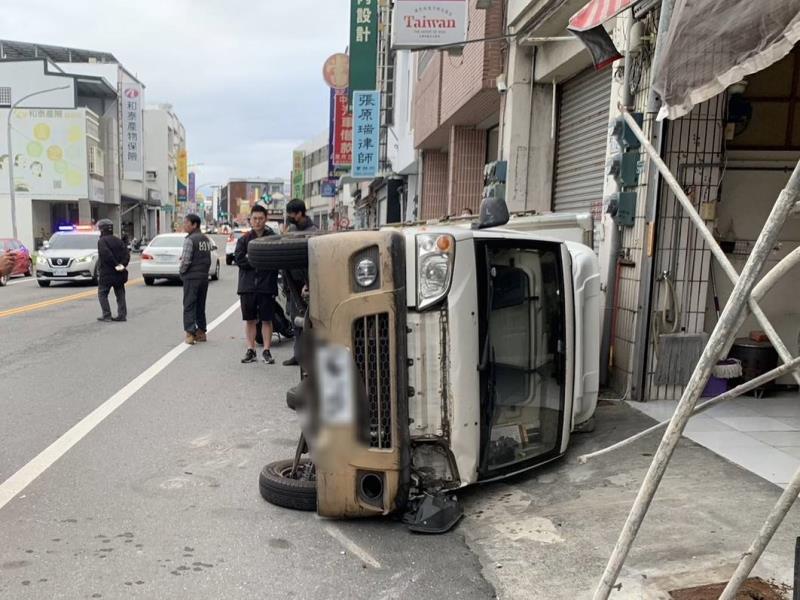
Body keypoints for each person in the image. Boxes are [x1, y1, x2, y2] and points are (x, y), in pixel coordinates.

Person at [235, 205, 277, 364]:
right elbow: (240, 259)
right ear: (250, 220)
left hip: (267, 286)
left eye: (261, 218)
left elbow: (275, 260)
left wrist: (252, 259)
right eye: (255, 218)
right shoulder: (244, 239)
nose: (258, 221)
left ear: (265, 219)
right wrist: (260, 261)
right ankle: (251, 349)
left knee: (267, 319)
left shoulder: (273, 238)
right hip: (247, 286)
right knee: (250, 319)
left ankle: (266, 350)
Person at [282, 199, 318, 367]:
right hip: (292, 280)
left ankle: (312, 355)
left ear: (300, 213)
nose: (289, 217)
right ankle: (298, 354)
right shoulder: (290, 228)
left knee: (312, 320)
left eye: (292, 214)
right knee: (294, 317)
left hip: (309, 281)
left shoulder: (314, 231)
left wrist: (309, 283)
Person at [179, 214, 212, 345]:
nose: (184, 225)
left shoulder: (190, 240)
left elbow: (185, 261)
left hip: (191, 277)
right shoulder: (206, 239)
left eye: (186, 223)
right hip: (203, 277)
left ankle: (190, 333)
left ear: (194, 225)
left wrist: (181, 272)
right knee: (200, 305)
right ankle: (201, 332)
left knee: (189, 305)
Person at [96, 219, 130, 323]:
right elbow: (127, 255)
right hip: (119, 273)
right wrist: (121, 265)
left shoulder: (102, 241)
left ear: (102, 229)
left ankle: (106, 315)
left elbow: (106, 255)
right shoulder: (118, 240)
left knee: (102, 293)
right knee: (120, 294)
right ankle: (122, 315)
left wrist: (115, 264)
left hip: (106, 273)